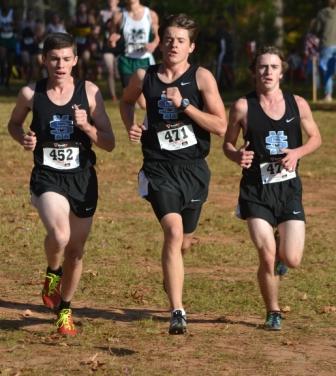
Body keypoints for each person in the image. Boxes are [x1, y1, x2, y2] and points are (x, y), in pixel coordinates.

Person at [119, 13, 227, 334]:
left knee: (184, 243)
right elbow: (126, 103)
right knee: (173, 232)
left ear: (191, 47)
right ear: (160, 42)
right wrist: (132, 127)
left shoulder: (202, 78)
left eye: (180, 40)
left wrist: (185, 107)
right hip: (158, 168)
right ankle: (177, 311)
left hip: (193, 170)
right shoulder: (144, 76)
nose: (173, 45)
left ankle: (172, 275)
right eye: (168, 39)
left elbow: (220, 126)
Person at [7, 32, 115, 336]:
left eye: (67, 58)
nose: (60, 64)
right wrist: (23, 139)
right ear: (44, 60)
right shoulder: (31, 93)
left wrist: (87, 127)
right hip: (47, 176)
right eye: (54, 58)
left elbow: (109, 143)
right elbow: (14, 124)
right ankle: (53, 271)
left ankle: (65, 309)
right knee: (60, 233)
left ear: (76, 61)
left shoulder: (90, 92)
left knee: (77, 251)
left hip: (82, 178)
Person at [223, 46, 321, 331]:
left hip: (288, 189)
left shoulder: (298, 103)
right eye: (262, 67)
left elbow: (316, 138)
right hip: (255, 190)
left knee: (292, 258)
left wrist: (297, 153)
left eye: (273, 67)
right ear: (255, 71)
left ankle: (282, 248)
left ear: (282, 71)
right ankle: (273, 311)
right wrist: (237, 154)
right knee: (266, 255)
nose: (267, 72)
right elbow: (227, 144)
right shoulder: (243, 106)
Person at [109, 0, 159, 108]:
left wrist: (153, 45)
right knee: (129, 98)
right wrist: (112, 40)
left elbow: (158, 36)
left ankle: (150, 122)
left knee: (145, 102)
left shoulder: (150, 14)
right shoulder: (119, 16)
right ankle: (132, 125)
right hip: (126, 61)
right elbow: (112, 37)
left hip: (145, 59)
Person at [313, 0, 336, 102]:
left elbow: (317, 29)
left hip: (327, 43)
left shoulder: (322, 13)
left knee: (327, 70)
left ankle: (328, 95)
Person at [99, 0, 121, 101]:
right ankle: (113, 95)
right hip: (106, 45)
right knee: (110, 71)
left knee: (118, 73)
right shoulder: (102, 13)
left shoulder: (123, 12)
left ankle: (125, 92)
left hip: (119, 45)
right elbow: (98, 28)